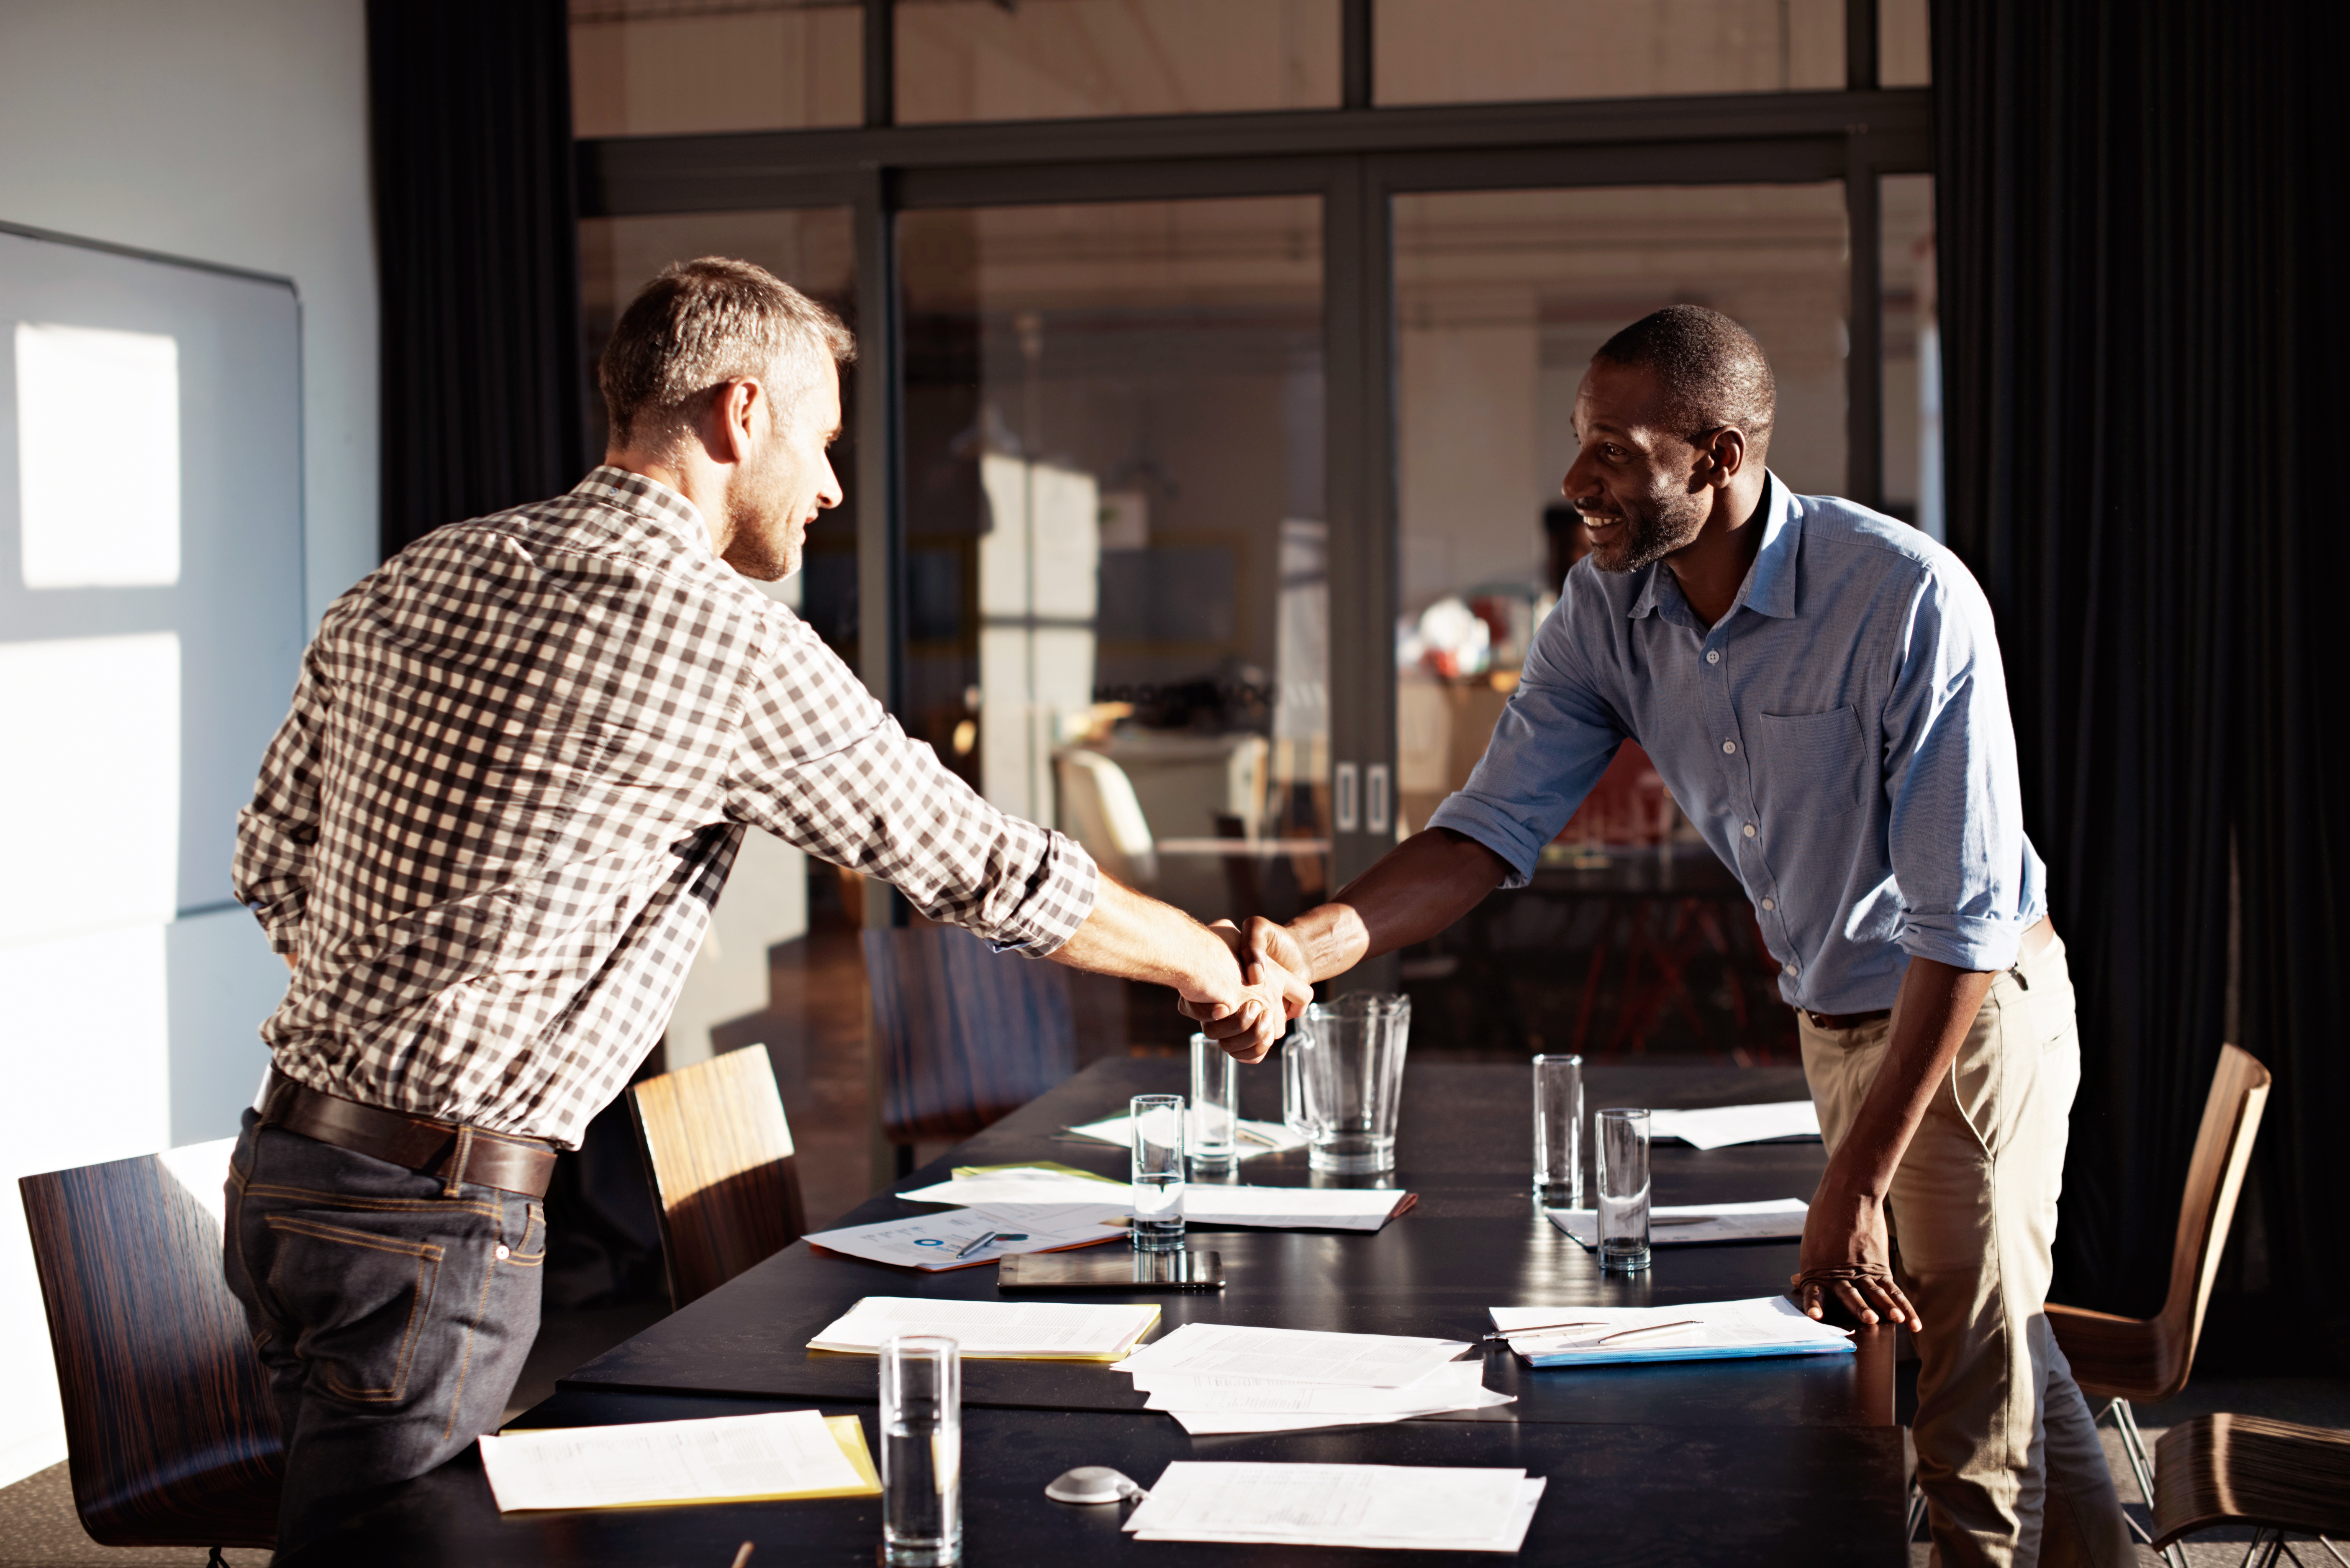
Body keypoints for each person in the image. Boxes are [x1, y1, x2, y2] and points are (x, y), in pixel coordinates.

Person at [226, 256, 1295, 1553]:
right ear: (741, 416)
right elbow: (977, 863)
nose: (835, 486)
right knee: (382, 1550)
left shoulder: (417, 575)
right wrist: (1200, 958)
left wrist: (410, 1001)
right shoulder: (722, 637)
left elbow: (272, 856)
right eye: (824, 440)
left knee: (345, 1523)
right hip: (436, 1215)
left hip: (285, 1171)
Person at [1198, 307, 2134, 1566]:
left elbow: (1960, 928)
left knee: (1961, 1408)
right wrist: (1300, 951)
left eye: (1617, 452)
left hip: (1964, 1018)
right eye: (1581, 442)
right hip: (1834, 1014)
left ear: (1722, 455)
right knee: (2003, 1348)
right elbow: (1487, 830)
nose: (1579, 480)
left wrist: (1849, 1180)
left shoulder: (1907, 599)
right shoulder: (1606, 611)